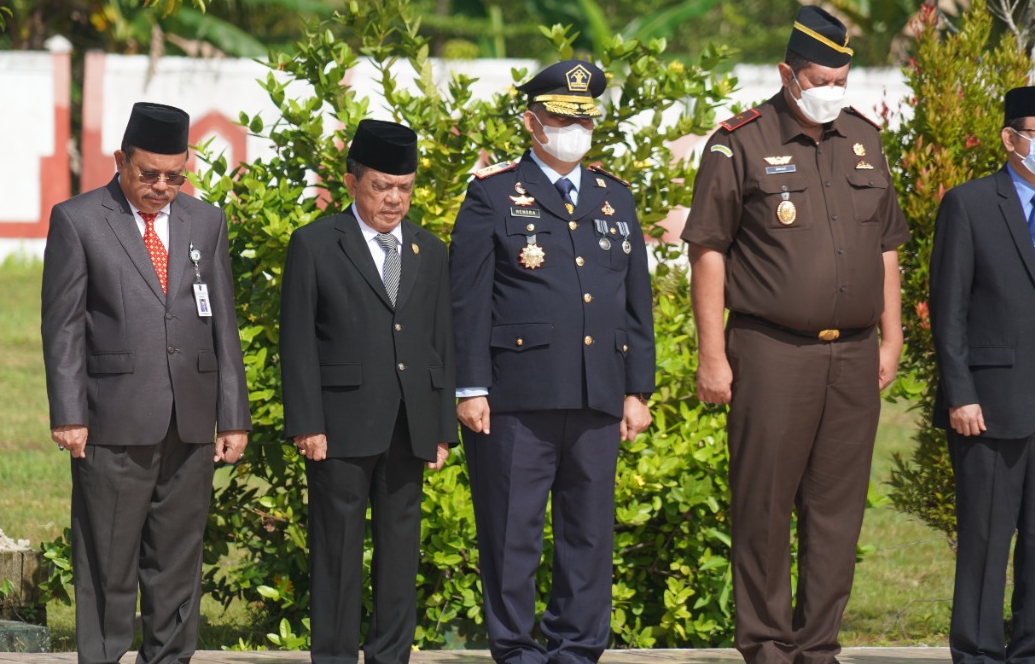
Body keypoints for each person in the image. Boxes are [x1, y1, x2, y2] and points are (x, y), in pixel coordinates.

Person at [682, 6, 909, 664]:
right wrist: (712, 353)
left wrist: (891, 338)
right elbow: (708, 249)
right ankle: (767, 644)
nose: (831, 89)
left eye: (842, 76)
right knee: (764, 504)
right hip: (772, 351)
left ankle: (817, 646)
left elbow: (887, 246)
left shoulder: (864, 138)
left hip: (854, 353)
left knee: (837, 510)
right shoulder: (740, 142)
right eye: (819, 76)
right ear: (787, 73)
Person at [449, 60, 656, 664]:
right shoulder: (492, 193)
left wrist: (637, 389)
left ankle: (577, 647)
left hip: (598, 392)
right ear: (531, 122)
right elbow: (467, 300)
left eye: (584, 118)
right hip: (517, 394)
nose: (576, 129)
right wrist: (470, 387)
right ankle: (514, 647)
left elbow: (633, 302)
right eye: (564, 118)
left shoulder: (614, 196)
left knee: (588, 533)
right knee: (512, 532)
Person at [41, 101, 249, 664]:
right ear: (120, 161)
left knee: (178, 561)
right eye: (148, 174)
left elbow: (222, 321)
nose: (162, 187)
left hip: (191, 421)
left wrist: (232, 415)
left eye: (174, 175)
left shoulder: (205, 221)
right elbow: (61, 327)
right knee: (108, 560)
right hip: (112, 419)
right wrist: (69, 413)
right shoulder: (79, 220)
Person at [280, 119, 457, 664]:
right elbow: (297, 342)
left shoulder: (430, 250)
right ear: (353, 181)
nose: (394, 199)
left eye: (404, 187)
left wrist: (442, 428)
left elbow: (440, 343)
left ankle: (390, 655)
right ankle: (333, 655)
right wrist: (307, 423)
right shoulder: (315, 245)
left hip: (410, 426)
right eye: (382, 185)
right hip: (339, 425)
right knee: (337, 550)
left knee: (400, 553)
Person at [930, 85, 1035, 664]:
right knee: (985, 543)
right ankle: (978, 654)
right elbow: (949, 307)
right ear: (1011, 138)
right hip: (988, 404)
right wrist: (960, 392)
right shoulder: (971, 204)